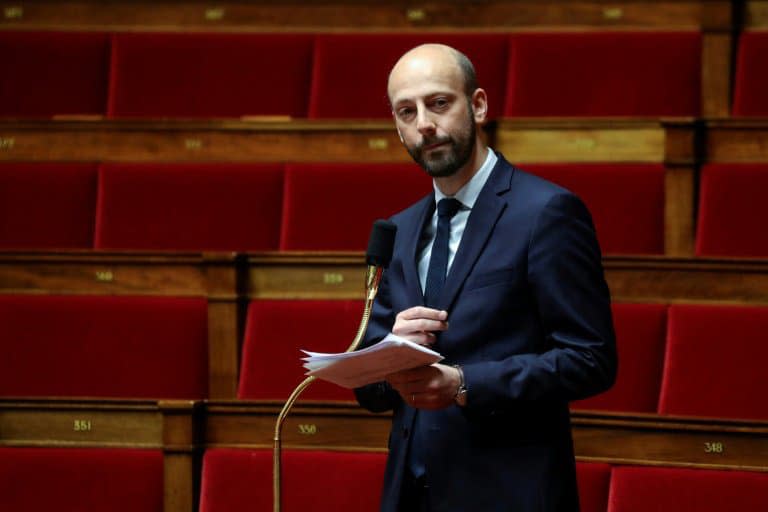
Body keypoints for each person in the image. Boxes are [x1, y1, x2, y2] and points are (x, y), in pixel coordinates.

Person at [354, 43, 617, 512]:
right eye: (406, 112)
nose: (424, 125)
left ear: (478, 105)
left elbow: (591, 358)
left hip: (508, 493)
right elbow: (371, 394)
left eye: (438, 103)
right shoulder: (399, 229)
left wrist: (464, 383)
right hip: (410, 495)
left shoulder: (546, 213)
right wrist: (386, 354)